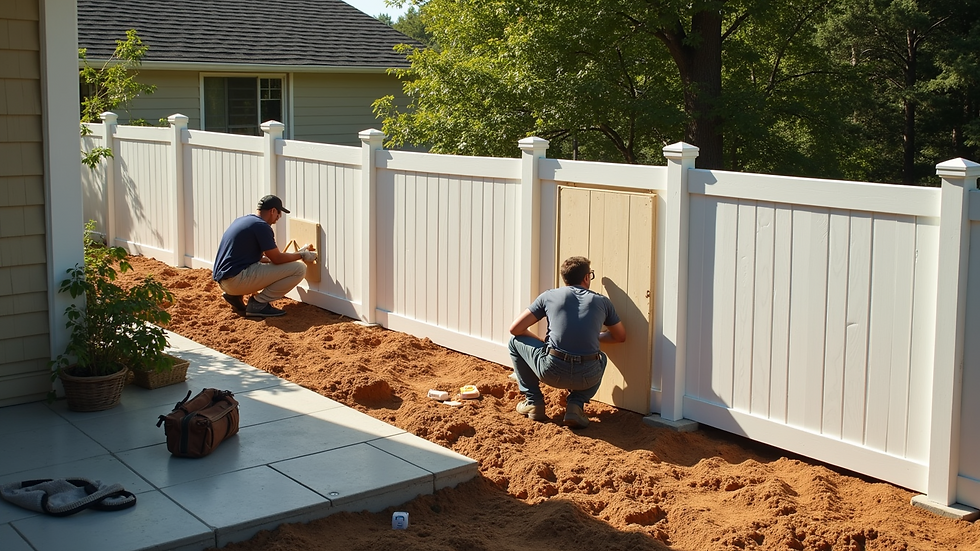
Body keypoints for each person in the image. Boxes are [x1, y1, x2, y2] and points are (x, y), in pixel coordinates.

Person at [508, 256, 626, 428]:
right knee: (602, 357)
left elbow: (515, 329)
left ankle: (534, 402)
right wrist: (595, 336)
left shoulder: (549, 296)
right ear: (586, 277)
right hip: (587, 376)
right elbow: (620, 337)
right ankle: (575, 405)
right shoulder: (602, 301)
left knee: (514, 342)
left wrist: (540, 341)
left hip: (551, 371)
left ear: (565, 278)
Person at [212, 195, 317, 318]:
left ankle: (234, 296)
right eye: (278, 214)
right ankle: (258, 304)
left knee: (264, 263)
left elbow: (259, 257)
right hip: (235, 282)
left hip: (225, 282)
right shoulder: (262, 226)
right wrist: (302, 255)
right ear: (272, 211)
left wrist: (293, 255)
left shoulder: (243, 220)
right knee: (299, 269)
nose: (278, 218)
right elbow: (277, 259)